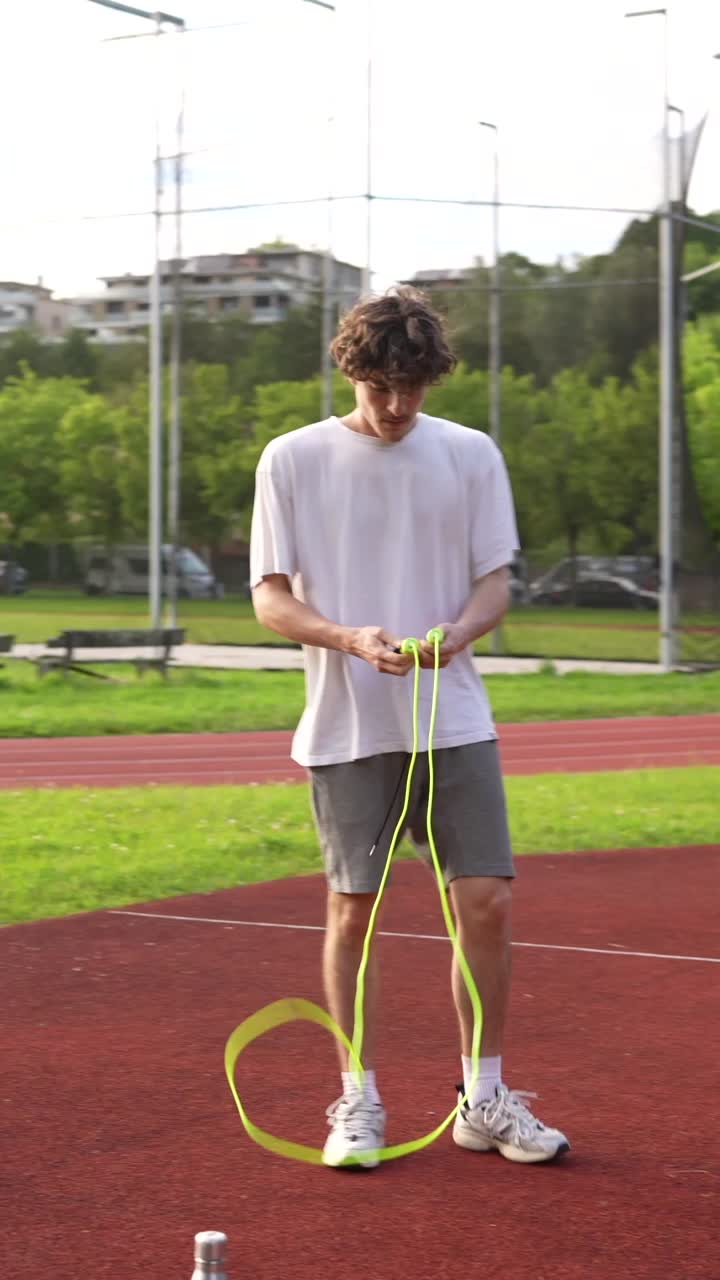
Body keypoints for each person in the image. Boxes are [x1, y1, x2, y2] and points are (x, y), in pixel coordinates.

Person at [250, 286, 570, 1169]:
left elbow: (494, 583)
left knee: (488, 905)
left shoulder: (469, 455)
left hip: (452, 715)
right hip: (348, 725)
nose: (396, 407)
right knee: (355, 914)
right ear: (352, 370)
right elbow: (271, 600)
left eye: (413, 388)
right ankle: (358, 1098)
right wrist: (348, 636)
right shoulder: (293, 459)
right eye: (382, 386)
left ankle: (485, 1096)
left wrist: (463, 632)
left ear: (433, 380)